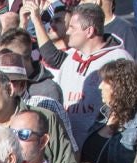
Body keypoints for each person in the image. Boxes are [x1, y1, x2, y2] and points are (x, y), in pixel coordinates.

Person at [52, 1, 132, 148]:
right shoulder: (69, 60)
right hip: (72, 150)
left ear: (89, 31)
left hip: (104, 148)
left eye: (72, 27)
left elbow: (129, 106)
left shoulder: (119, 59)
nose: (67, 31)